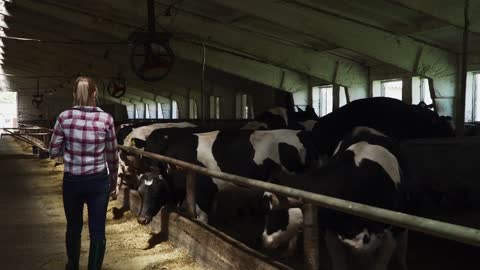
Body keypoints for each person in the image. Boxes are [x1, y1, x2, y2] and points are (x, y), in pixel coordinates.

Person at [49, 76, 118, 270]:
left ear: (73, 94)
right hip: (98, 181)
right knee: (97, 231)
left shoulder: (64, 117)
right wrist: (113, 180)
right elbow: (112, 155)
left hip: (73, 181)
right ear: (95, 94)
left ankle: (72, 265)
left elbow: (53, 151)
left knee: (73, 227)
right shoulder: (106, 119)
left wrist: (70, 154)